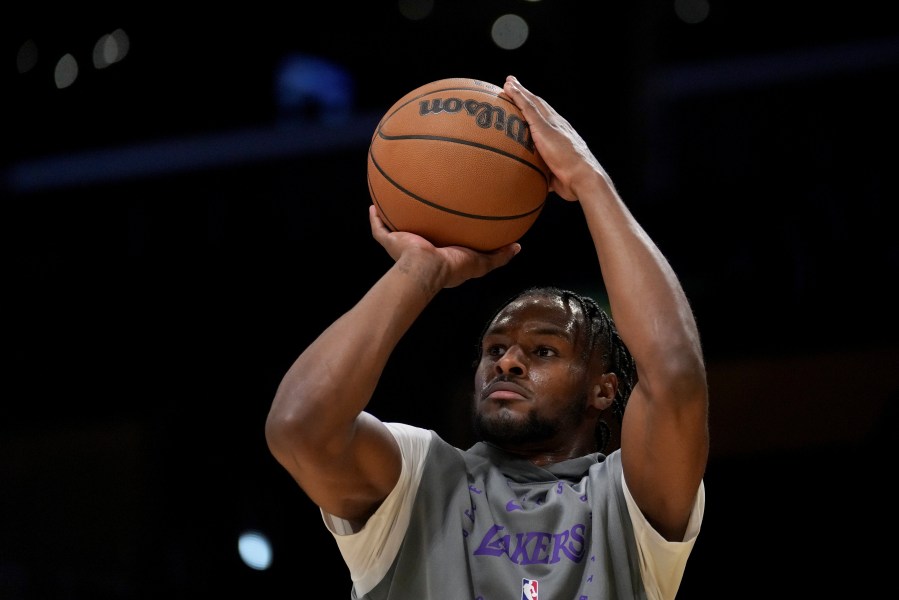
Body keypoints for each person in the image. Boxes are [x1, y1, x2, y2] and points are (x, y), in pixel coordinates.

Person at [265, 75, 709, 600]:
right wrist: (420, 270)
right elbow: (299, 426)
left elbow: (676, 376)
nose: (508, 363)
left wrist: (590, 180)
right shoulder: (418, 477)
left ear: (604, 390)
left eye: (543, 350)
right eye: (495, 349)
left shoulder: (629, 499)